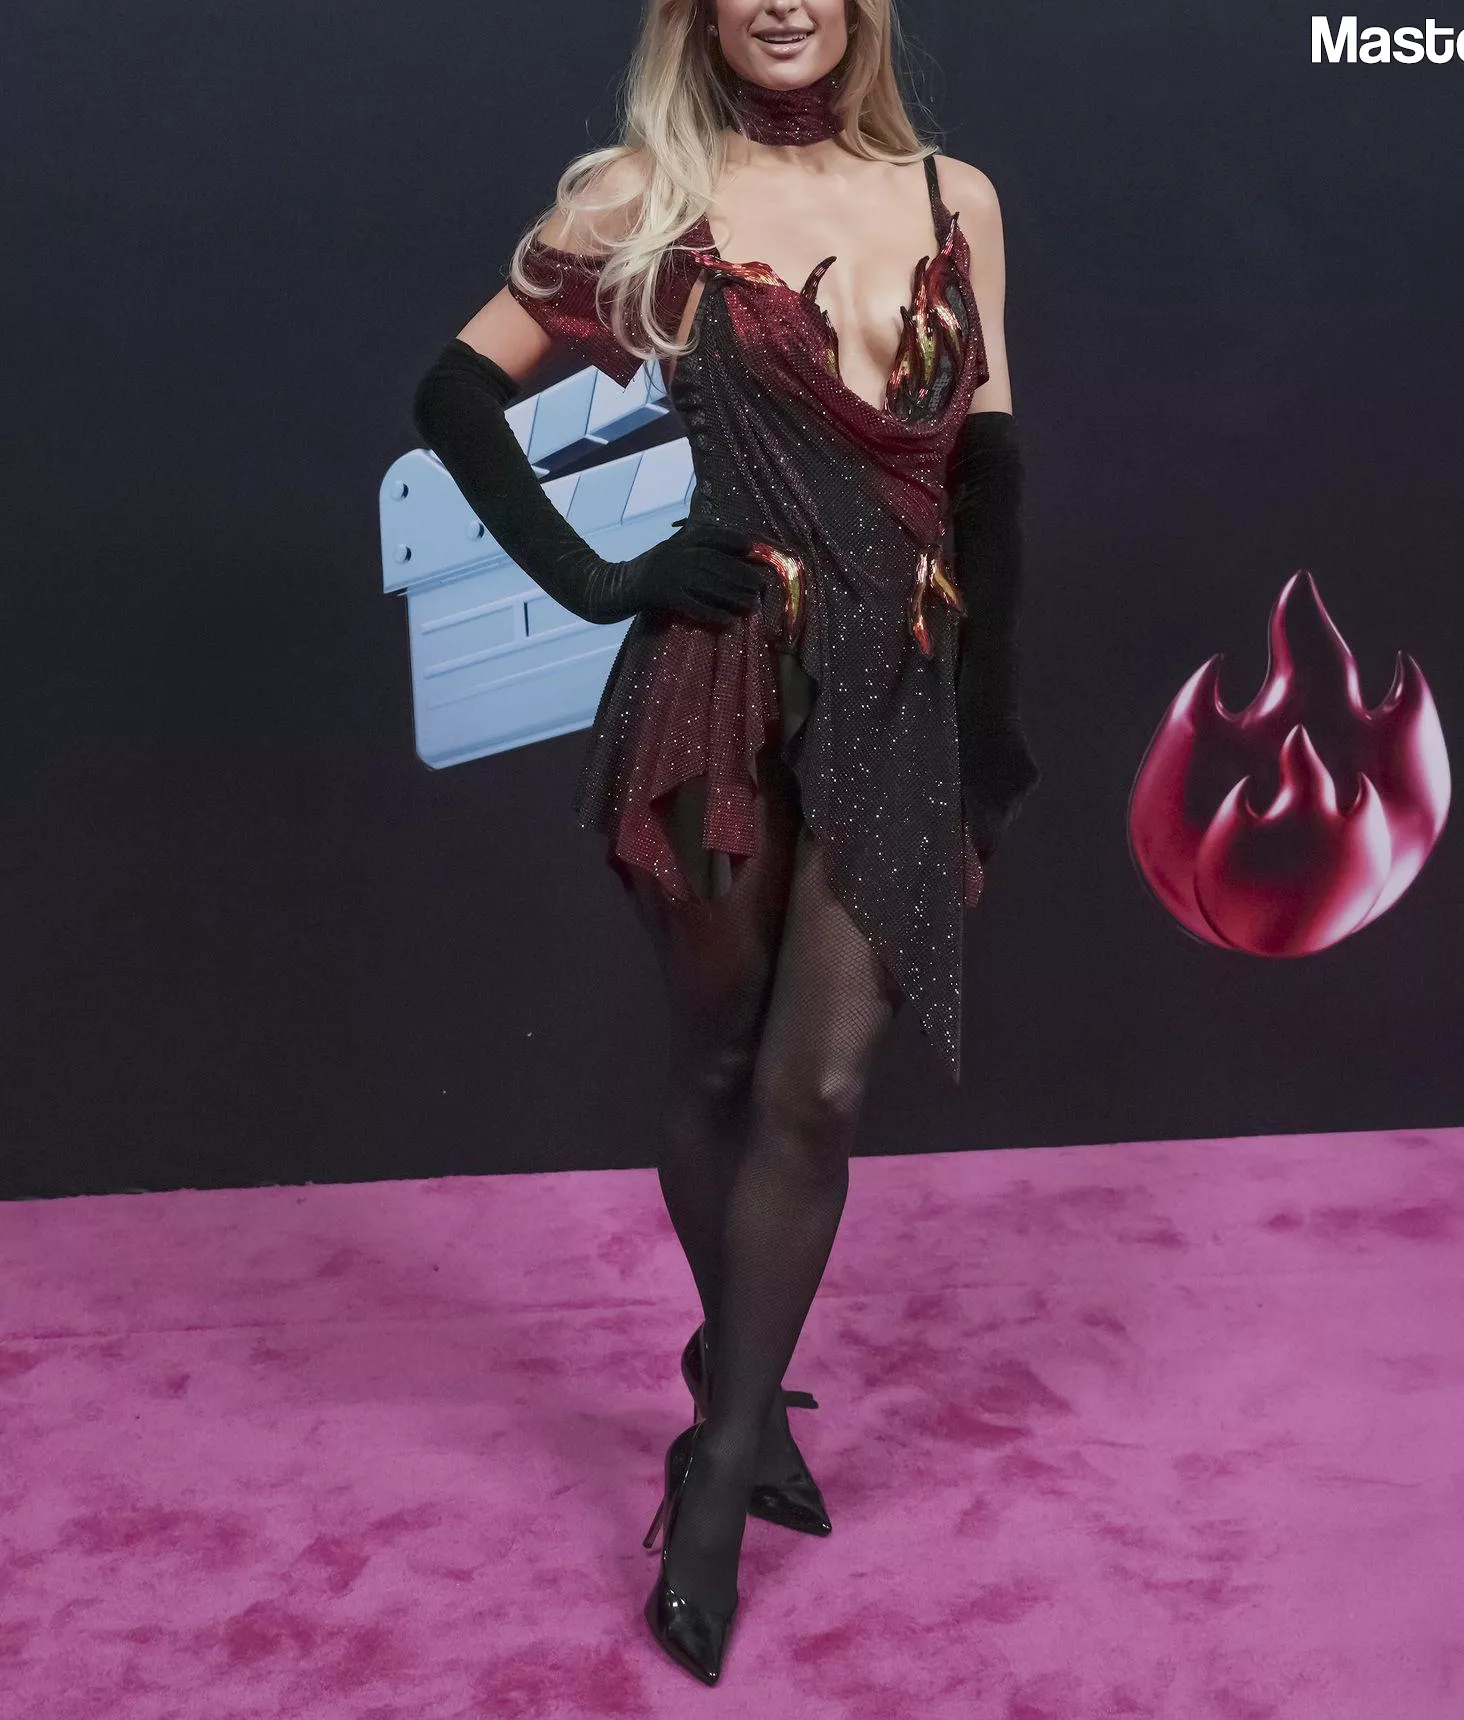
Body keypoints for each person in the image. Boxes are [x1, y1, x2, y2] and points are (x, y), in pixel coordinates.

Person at [410, 0, 1038, 1686]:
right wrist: (598, 580)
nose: (782, 3)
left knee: (816, 1088)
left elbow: (991, 483)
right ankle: (737, 1389)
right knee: (715, 1060)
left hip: (901, 690)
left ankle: (717, 1467)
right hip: (716, 682)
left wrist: (988, 744)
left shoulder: (954, 199)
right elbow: (455, 391)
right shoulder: (645, 199)